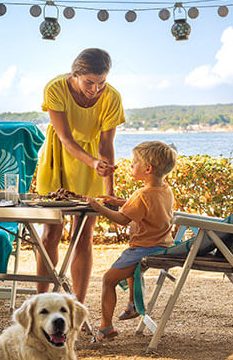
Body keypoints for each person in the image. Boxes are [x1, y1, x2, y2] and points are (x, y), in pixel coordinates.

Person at [36, 48, 125, 302]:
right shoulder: (55, 88)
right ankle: (42, 302)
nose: (95, 89)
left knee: (84, 235)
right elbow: (65, 138)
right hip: (59, 158)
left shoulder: (112, 97)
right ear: (75, 75)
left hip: (92, 162)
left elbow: (106, 144)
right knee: (51, 233)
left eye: (101, 83)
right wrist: (94, 162)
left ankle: (78, 306)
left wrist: (109, 190)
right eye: (89, 83)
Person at [86, 141, 178, 343]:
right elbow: (148, 208)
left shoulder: (141, 194)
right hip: (162, 245)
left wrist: (97, 207)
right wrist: (120, 202)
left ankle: (106, 327)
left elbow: (122, 219)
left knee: (108, 279)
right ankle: (132, 304)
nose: (131, 165)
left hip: (144, 249)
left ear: (148, 169)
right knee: (129, 267)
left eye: (135, 162)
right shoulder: (165, 190)